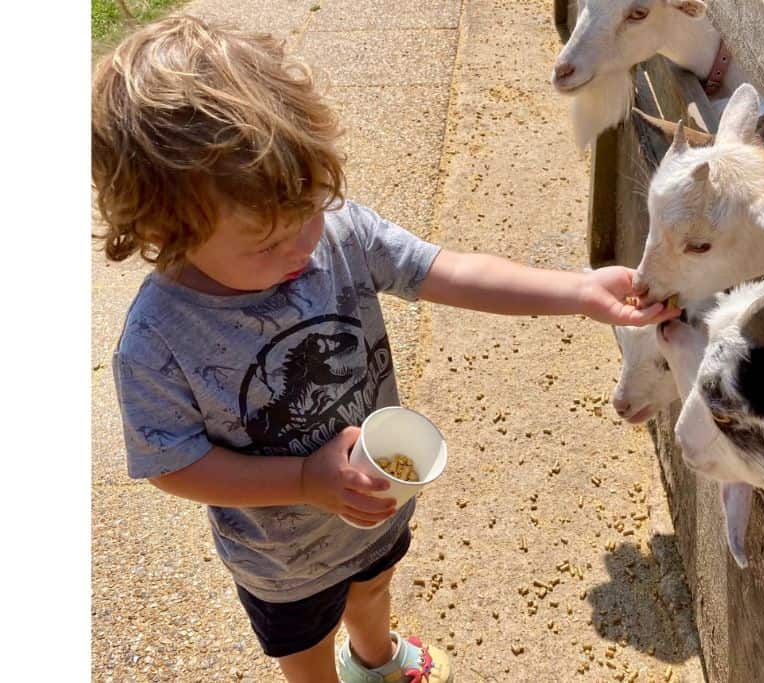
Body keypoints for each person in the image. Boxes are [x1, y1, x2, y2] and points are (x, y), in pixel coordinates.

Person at [92, 14, 679, 683]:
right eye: (265, 242)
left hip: (376, 507)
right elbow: (173, 464)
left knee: (373, 586)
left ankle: (375, 657)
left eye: (308, 212)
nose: (301, 247)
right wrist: (302, 481)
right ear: (165, 229)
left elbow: (443, 269)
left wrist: (576, 290)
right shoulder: (157, 339)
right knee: (305, 647)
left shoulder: (339, 233)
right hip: (281, 561)